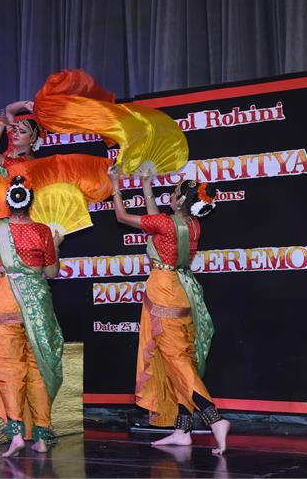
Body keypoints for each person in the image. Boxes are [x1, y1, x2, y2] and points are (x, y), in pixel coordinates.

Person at [107, 168, 230, 455]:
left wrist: (115, 184)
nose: (170, 197)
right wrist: (146, 185)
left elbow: (122, 217)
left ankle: (214, 418)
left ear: (179, 201)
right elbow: (157, 224)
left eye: (173, 194)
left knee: (176, 359)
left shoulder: (166, 223)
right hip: (182, 289)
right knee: (176, 357)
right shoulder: (192, 225)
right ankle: (182, 430)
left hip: (164, 290)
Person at [0, 176, 64, 457]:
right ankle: (41, 436)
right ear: (31, 202)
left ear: (9, 202)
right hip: (36, 305)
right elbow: (51, 272)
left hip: (4, 302)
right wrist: (57, 244)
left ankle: (16, 435)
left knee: (8, 368)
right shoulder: (42, 231)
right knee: (39, 367)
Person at [0, 101, 43, 177]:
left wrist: (1, 124)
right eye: (15, 130)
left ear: (32, 138)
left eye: (22, 131)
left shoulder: (24, 163)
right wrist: (25, 104)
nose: (16, 134)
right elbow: (9, 111)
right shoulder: (13, 143)